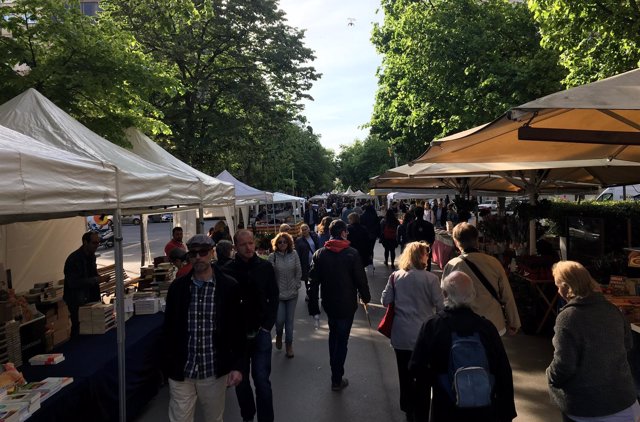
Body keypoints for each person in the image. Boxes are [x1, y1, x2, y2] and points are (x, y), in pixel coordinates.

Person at [409, 271, 517, 422]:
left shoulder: (433, 326)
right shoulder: (486, 328)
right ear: (472, 295)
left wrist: (420, 415)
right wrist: (506, 413)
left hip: (446, 409)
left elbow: (418, 372)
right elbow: (503, 371)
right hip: (483, 411)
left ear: (445, 294)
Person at [163, 234, 245, 422]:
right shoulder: (178, 288)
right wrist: (167, 361)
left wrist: (237, 366)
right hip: (182, 369)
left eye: (203, 252)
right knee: (180, 418)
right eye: (193, 253)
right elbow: (169, 328)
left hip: (213, 369)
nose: (198, 257)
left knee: (213, 418)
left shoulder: (228, 287)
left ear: (212, 253)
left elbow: (237, 329)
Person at [547, 261, 639, 422]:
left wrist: (549, 375)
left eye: (557, 285)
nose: (557, 290)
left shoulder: (568, 318)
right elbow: (628, 345)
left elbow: (564, 365)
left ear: (567, 286)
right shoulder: (612, 309)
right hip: (624, 402)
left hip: (587, 408)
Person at [381, 241, 444, 422]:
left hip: (401, 334)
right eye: (426, 253)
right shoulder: (431, 279)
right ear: (420, 257)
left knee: (404, 373)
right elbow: (440, 306)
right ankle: (422, 411)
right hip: (423, 335)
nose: (428, 256)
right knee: (424, 377)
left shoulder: (396, 276)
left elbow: (385, 300)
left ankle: (408, 407)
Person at [308, 219, 371, 391]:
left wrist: (314, 307)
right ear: (342, 233)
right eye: (346, 231)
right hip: (347, 303)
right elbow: (360, 279)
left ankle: (335, 373)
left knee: (334, 337)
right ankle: (337, 377)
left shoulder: (320, 254)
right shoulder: (352, 253)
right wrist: (366, 297)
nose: (348, 234)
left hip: (330, 303)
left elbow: (312, 283)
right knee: (341, 340)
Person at [227, 229, 279, 422]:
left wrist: (267, 326)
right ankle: (248, 416)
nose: (249, 247)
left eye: (251, 243)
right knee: (241, 381)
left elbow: (274, 297)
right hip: (238, 336)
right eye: (243, 244)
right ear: (235, 247)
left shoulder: (265, 267)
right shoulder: (228, 270)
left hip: (260, 332)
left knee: (262, 381)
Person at [442, 223, 520, 336]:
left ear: (456, 242)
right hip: (493, 324)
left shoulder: (452, 265)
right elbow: (506, 295)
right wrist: (514, 322)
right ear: (477, 240)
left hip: (463, 325)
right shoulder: (494, 263)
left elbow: (445, 297)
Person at [63, 231, 108, 337]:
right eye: (94, 243)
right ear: (85, 242)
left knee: (93, 328)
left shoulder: (92, 256)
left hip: (90, 297)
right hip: (77, 300)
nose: (97, 245)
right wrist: (96, 279)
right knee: (79, 329)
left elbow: (92, 274)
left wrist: (99, 278)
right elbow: (73, 283)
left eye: (98, 243)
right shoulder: (73, 259)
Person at [267, 232, 302, 358]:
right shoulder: (272, 257)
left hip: (292, 293)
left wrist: (297, 284)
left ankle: (289, 345)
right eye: (280, 242)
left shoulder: (294, 254)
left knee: (289, 321)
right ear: (276, 244)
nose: (282, 244)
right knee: (279, 320)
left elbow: (299, 270)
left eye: (285, 242)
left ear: (289, 243)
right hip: (278, 295)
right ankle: (279, 334)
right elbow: (269, 276)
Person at [295, 224, 321, 296]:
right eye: (302, 230)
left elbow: (318, 247)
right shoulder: (299, 240)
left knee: (315, 278)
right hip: (305, 263)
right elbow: (298, 253)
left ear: (309, 229)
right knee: (307, 279)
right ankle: (309, 294)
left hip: (315, 262)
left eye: (305, 229)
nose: (304, 231)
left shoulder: (314, 237)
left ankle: (315, 293)